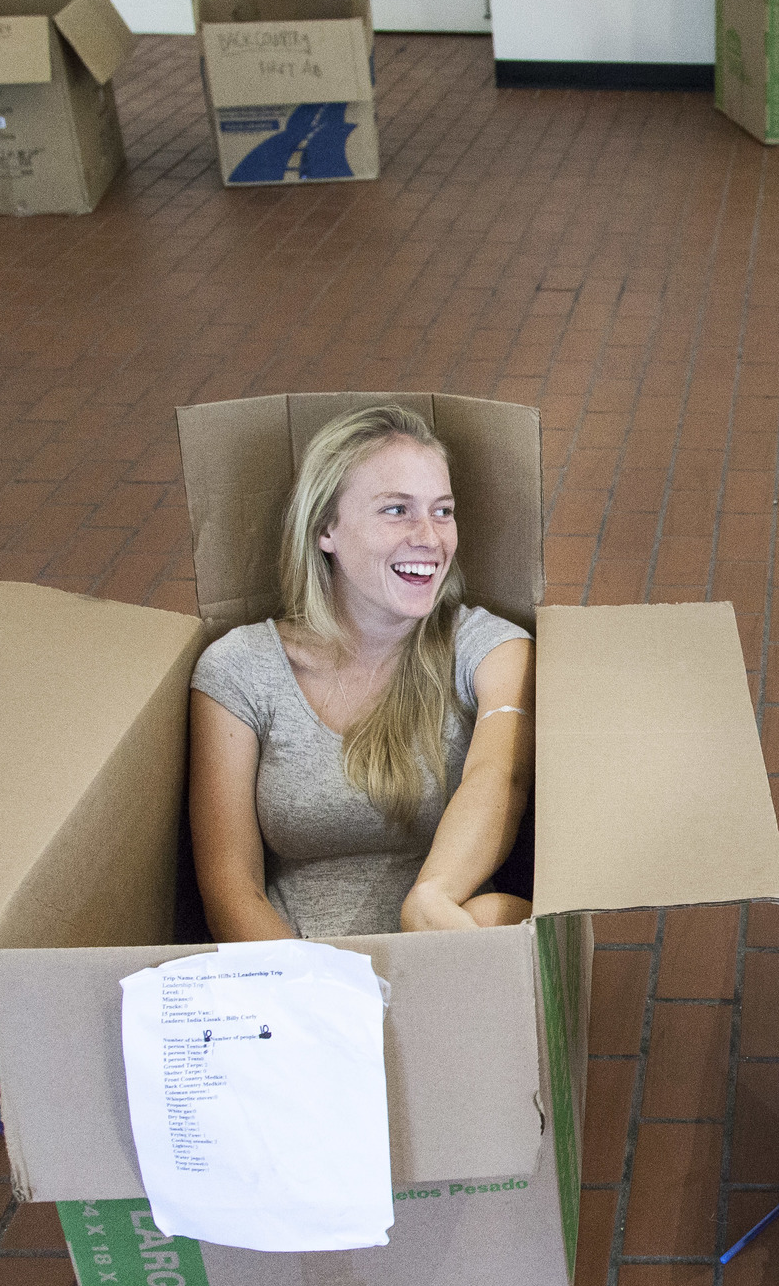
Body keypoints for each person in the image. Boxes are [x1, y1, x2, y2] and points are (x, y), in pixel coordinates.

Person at [188, 403, 535, 940]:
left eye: (442, 511)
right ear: (326, 528)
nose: (429, 537)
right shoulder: (239, 670)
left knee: (499, 917)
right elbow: (232, 891)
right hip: (291, 977)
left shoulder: (490, 647)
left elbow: (502, 775)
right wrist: (321, 998)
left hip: (444, 950)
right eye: (396, 510)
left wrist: (432, 898)